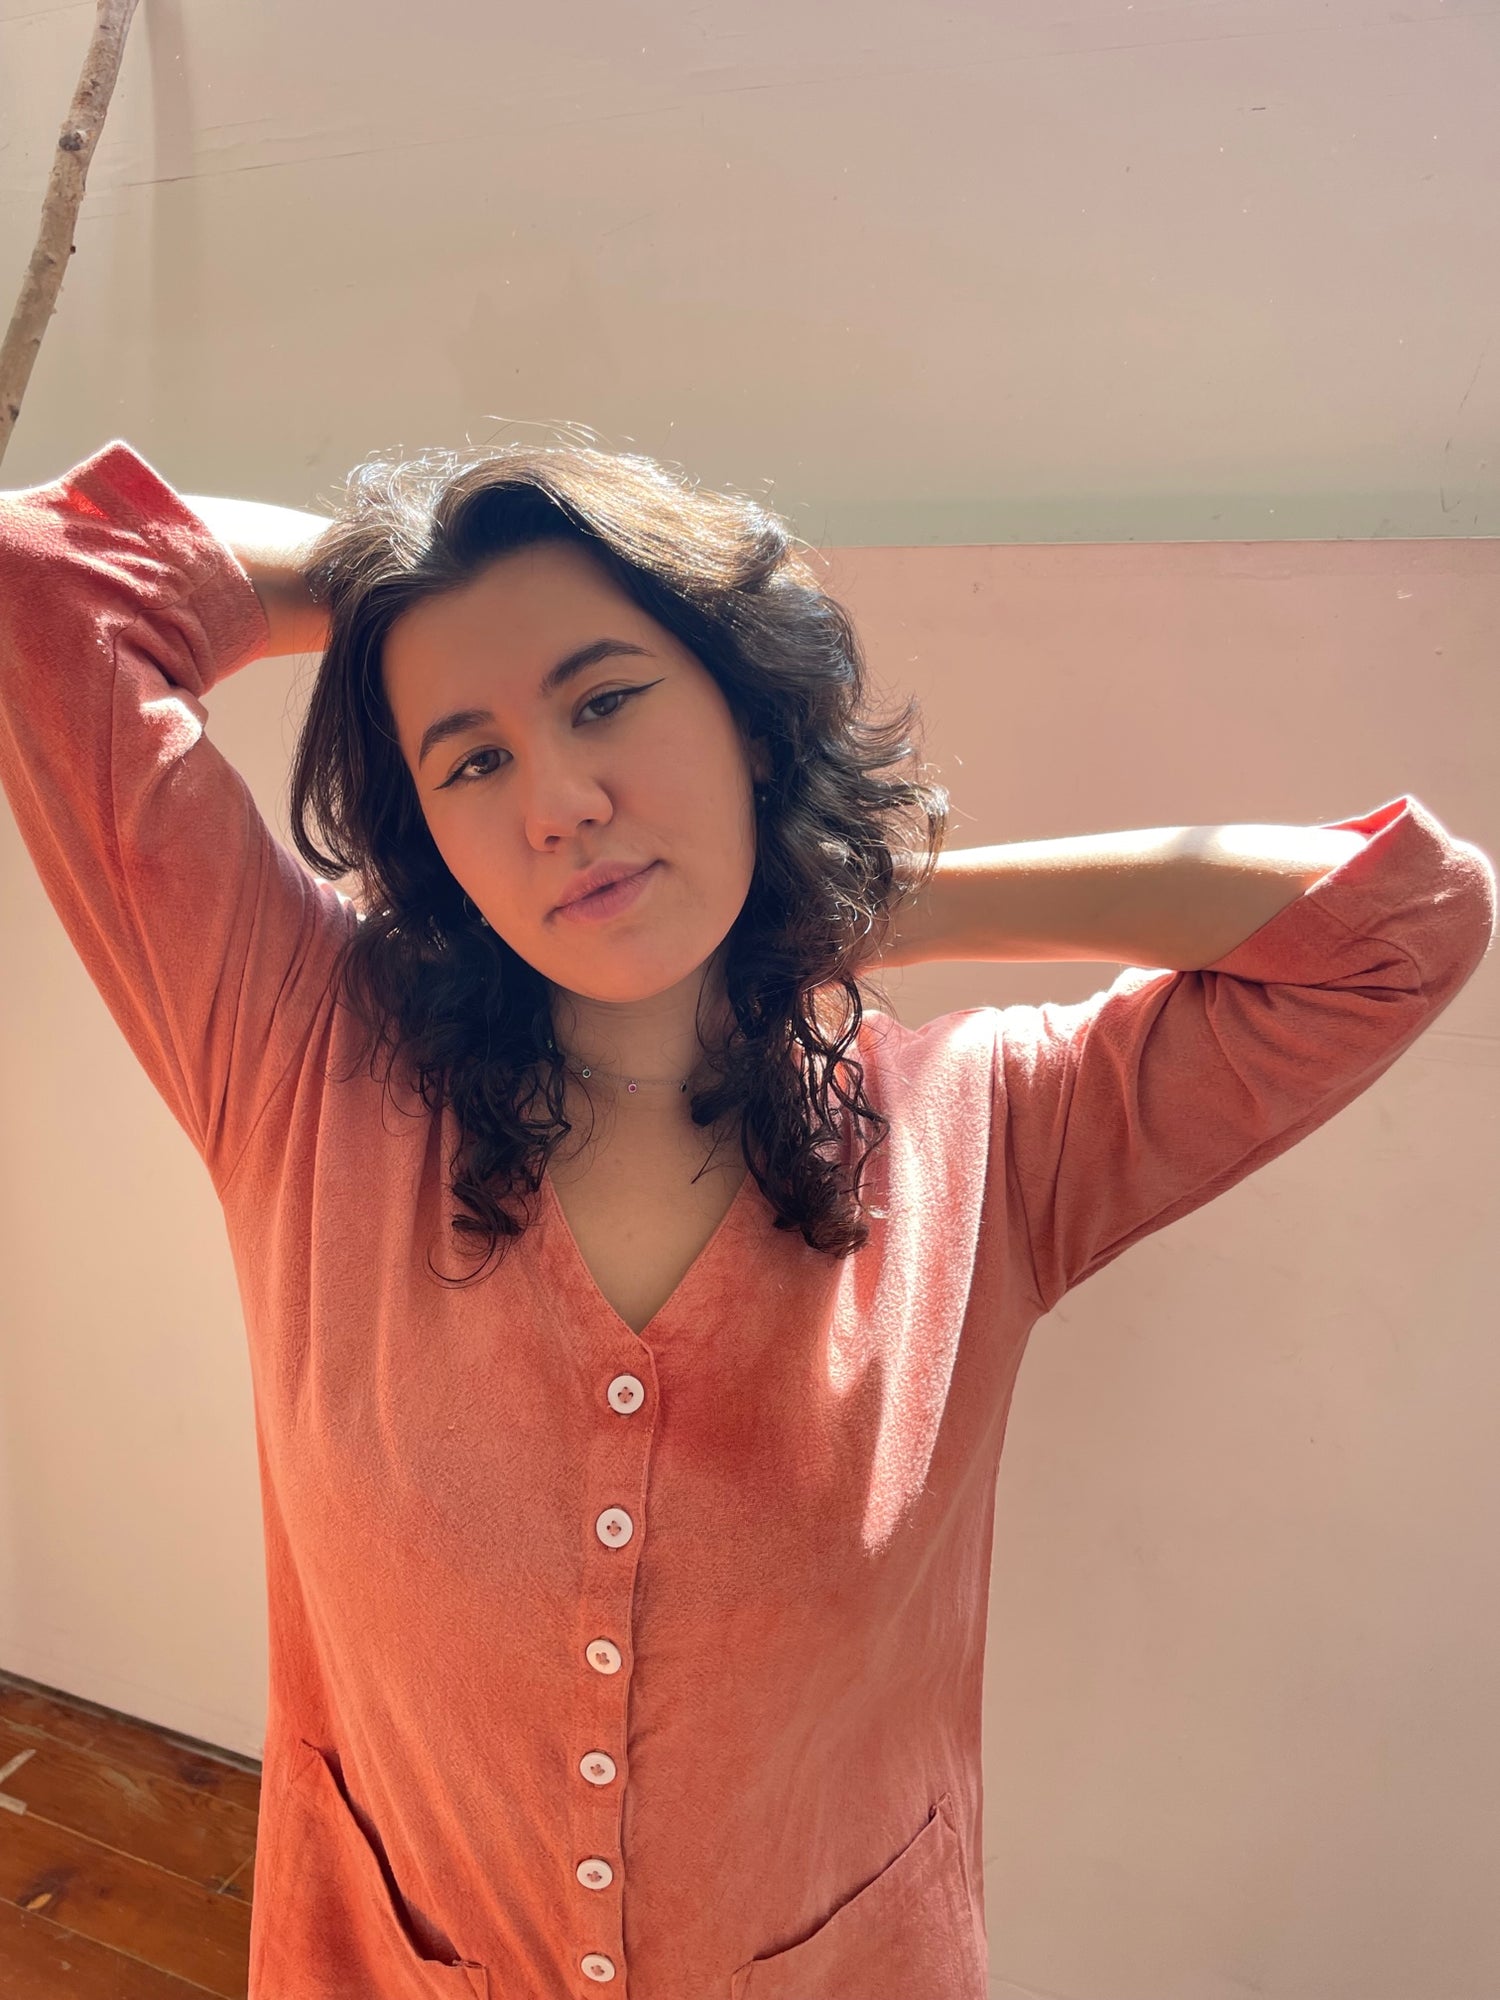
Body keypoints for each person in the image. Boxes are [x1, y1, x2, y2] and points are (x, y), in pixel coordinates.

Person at [0, 439, 1492, 1999]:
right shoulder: (302, 1061)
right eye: (472, 760)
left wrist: (870, 904)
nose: (561, 803)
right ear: (431, 838)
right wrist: (396, 582)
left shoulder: (993, 1135)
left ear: (747, 717)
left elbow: (1403, 925)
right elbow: (48, 576)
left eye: (603, 698)